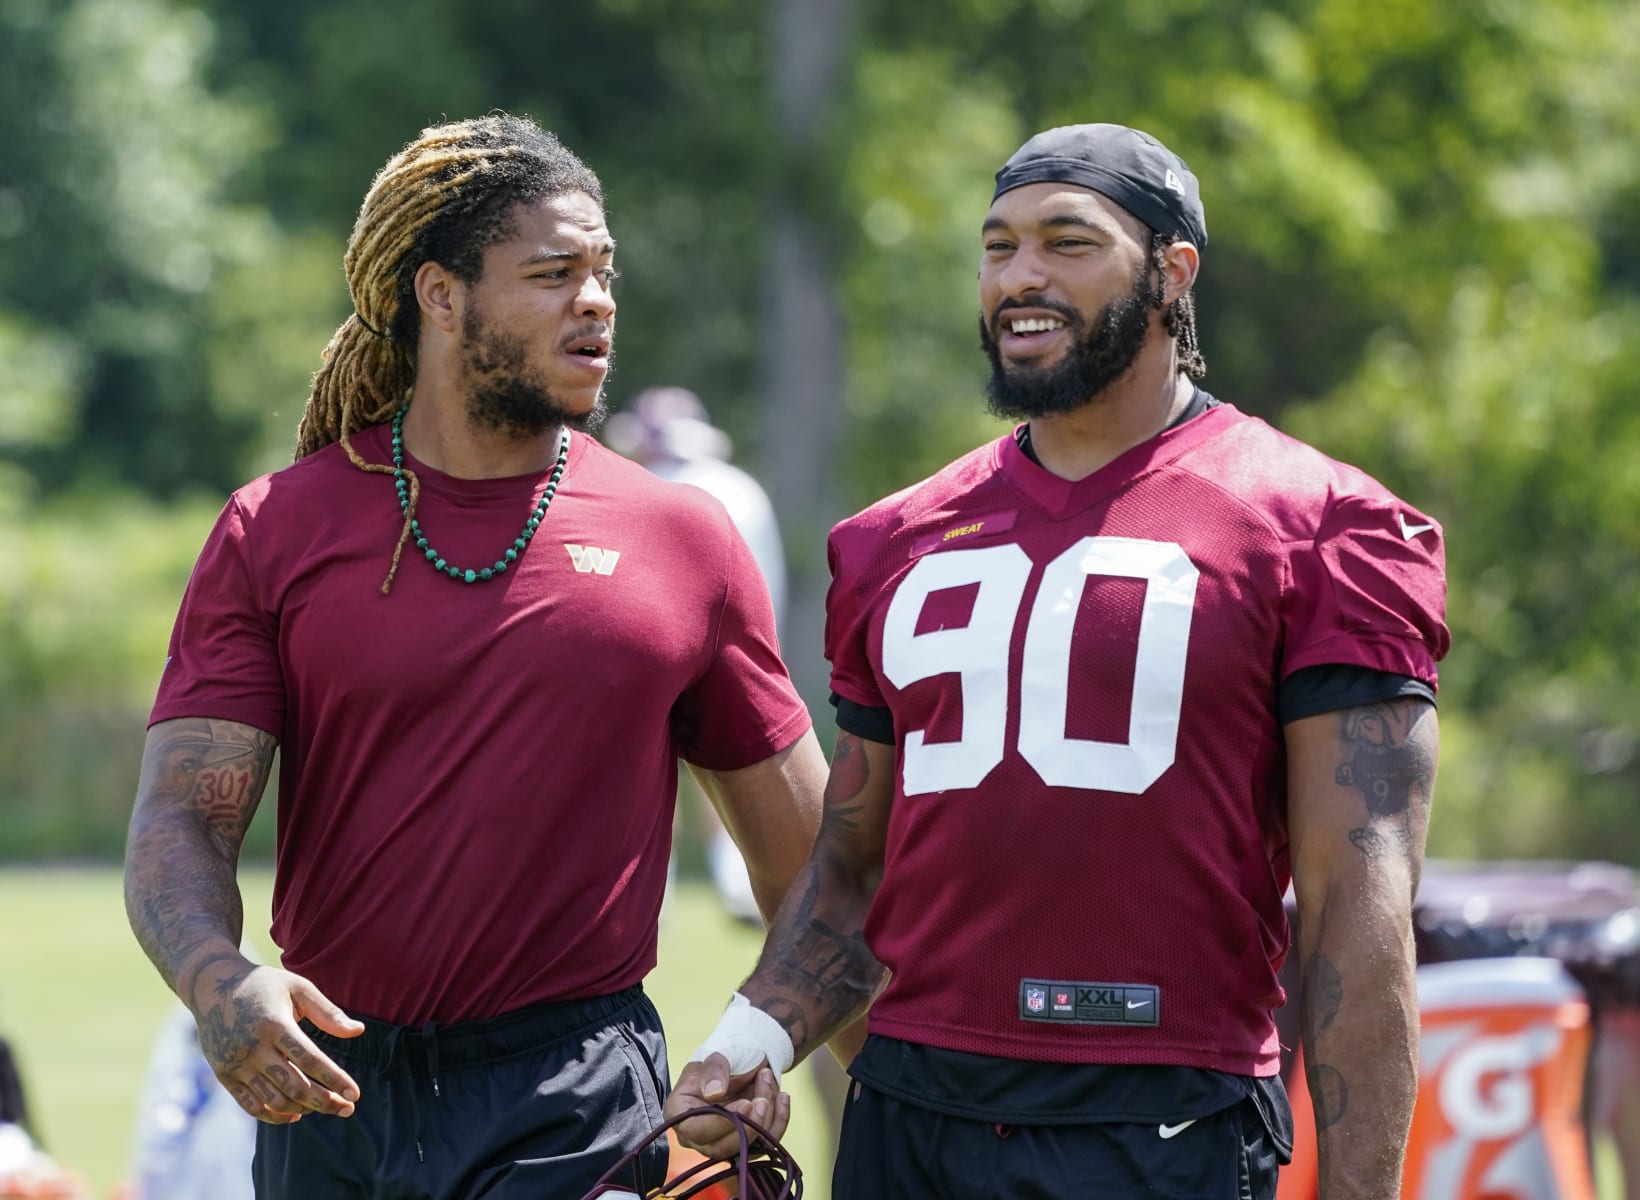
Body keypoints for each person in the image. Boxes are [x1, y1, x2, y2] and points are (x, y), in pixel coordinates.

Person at [667, 123, 1450, 1199]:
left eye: (1067, 241)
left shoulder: (1323, 526)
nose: (1020, 277)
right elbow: (852, 874)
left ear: (1174, 271)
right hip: (912, 1121)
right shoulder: (894, 541)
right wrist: (748, 1043)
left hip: (1163, 1121)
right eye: (998, 247)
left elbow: (1356, 912)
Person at [122, 113, 826, 1200]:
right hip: (330, 1099)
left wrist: (781, 1056)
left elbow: (815, 868)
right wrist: (221, 984)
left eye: (603, 272)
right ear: (439, 295)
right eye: (553, 273)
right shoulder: (277, 528)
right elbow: (182, 816)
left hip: (579, 1095)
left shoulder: (683, 540)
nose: (596, 301)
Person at [606, 386, 789, 925]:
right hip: (747, 654)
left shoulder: (662, 489)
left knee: (643, 780)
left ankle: (649, 898)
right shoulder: (744, 488)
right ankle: (736, 886)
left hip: (663, 652)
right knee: (734, 778)